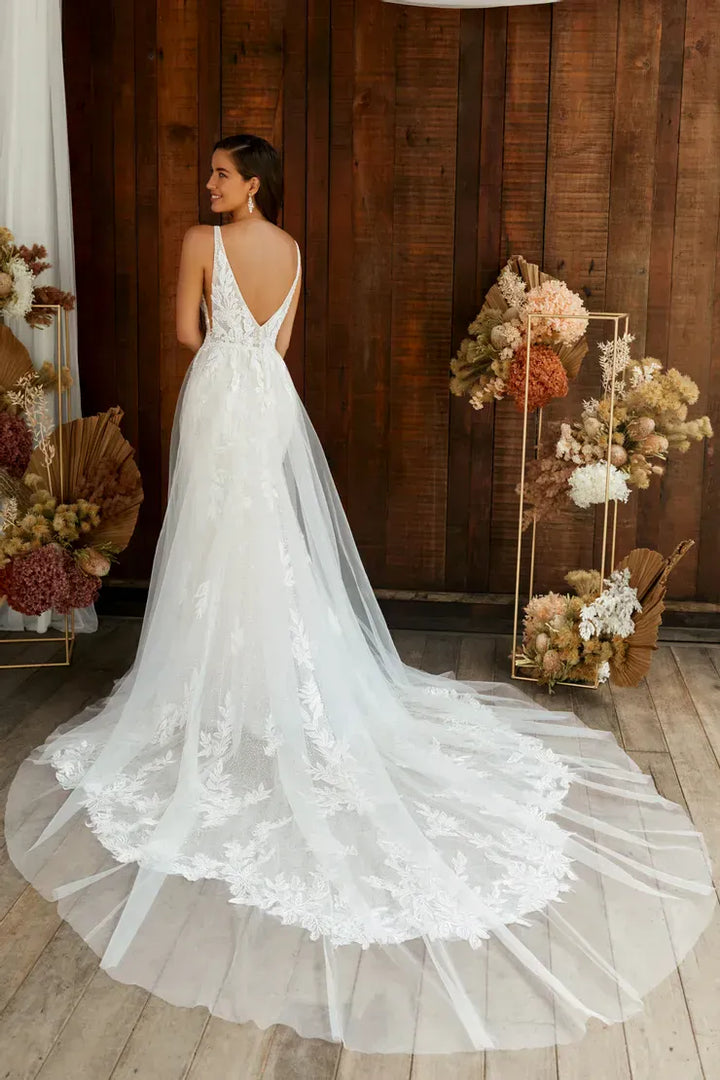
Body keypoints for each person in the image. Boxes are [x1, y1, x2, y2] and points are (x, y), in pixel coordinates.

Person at [5, 134, 717, 1057]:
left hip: (220, 393)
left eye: (221, 173)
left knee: (216, 543)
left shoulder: (198, 242)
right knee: (267, 541)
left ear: (251, 184)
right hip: (269, 399)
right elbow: (280, 342)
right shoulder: (293, 250)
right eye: (209, 174)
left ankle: (217, 684)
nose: (207, 183)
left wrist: (222, 331)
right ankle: (265, 680)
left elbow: (186, 334)